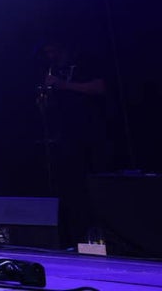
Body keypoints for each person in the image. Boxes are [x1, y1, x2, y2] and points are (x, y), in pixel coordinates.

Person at [35, 34, 112, 246]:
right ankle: (77, 237)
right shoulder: (51, 70)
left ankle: (105, 238)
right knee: (73, 189)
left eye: (54, 51)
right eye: (48, 52)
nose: (51, 56)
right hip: (65, 136)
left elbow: (100, 87)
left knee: (97, 185)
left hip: (92, 132)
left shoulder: (84, 63)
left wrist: (64, 85)